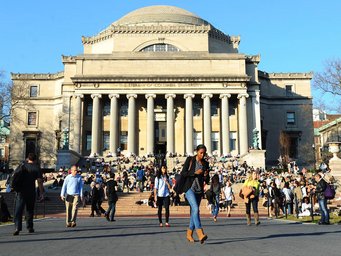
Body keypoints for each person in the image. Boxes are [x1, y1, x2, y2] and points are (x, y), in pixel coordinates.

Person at [181, 144, 209, 244]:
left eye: (204, 153)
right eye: (201, 153)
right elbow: (183, 173)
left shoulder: (205, 163)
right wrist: (195, 173)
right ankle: (200, 233)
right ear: (197, 152)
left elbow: (207, 179)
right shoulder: (190, 160)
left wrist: (205, 176)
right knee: (196, 209)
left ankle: (189, 234)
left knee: (194, 211)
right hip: (189, 188)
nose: (202, 155)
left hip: (199, 190)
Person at [12, 153, 44, 235]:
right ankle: (29, 227)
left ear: (27, 159)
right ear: (35, 160)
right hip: (30, 191)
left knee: (18, 209)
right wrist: (41, 193)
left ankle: (17, 227)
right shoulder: (37, 168)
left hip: (20, 191)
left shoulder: (22, 166)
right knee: (29, 209)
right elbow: (39, 181)